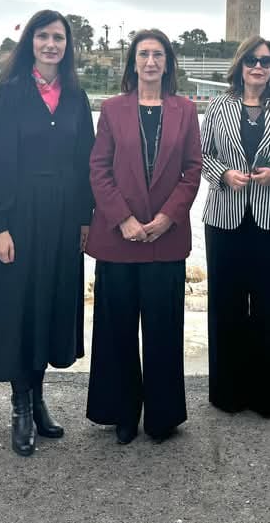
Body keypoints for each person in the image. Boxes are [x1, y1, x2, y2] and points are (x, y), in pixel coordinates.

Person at [0, 9, 95, 457]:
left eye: (58, 37)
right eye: (43, 36)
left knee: (51, 303)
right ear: (31, 42)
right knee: (20, 306)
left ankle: (39, 398)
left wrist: (85, 218)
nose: (51, 44)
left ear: (67, 45)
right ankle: (20, 404)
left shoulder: (76, 95)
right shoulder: (10, 91)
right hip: (20, 213)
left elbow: (86, 159)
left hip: (64, 215)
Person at [85, 28, 201, 445]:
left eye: (158, 55)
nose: (150, 62)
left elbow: (193, 169)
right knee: (116, 330)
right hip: (119, 239)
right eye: (143, 54)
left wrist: (169, 216)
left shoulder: (186, 110)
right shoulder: (112, 109)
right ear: (133, 63)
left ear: (168, 63)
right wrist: (123, 219)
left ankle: (162, 416)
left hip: (165, 240)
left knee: (163, 331)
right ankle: (121, 412)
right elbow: (99, 168)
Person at [201, 35, 270, 418]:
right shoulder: (218, 106)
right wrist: (223, 174)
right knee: (225, 306)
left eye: (266, 61)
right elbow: (202, 154)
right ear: (240, 66)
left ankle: (266, 397)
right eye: (251, 60)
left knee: (268, 306)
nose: (258, 67)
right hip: (224, 218)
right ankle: (227, 393)